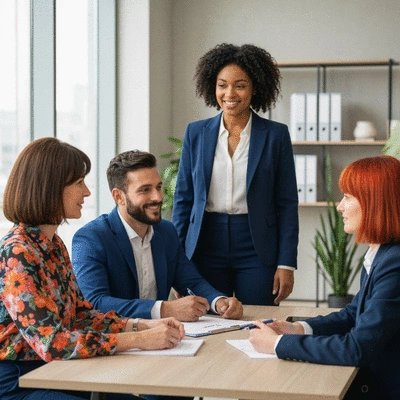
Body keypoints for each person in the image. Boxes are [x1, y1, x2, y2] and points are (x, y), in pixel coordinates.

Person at [0, 138, 185, 400]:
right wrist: (141, 339)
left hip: (60, 372)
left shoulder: (53, 245)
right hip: (19, 382)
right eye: (78, 183)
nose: (86, 192)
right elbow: (53, 344)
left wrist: (140, 325)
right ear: (50, 188)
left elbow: (81, 315)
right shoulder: (17, 253)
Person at [249, 155, 400, 399]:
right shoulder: (381, 254)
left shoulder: (394, 263)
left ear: (374, 203)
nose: (340, 206)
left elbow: (357, 348)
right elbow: (353, 315)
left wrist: (277, 345)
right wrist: (298, 328)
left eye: (348, 197)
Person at [172, 43, 299, 306]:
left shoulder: (276, 135)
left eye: (240, 85)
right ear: (212, 87)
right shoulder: (195, 134)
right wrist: (177, 262)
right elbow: (183, 200)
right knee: (205, 320)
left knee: (258, 321)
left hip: (257, 248)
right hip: (205, 243)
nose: (230, 93)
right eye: (222, 85)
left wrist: (286, 263)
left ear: (255, 88)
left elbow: (287, 203)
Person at [71, 149, 243, 323]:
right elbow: (95, 303)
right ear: (119, 196)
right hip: (119, 340)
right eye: (145, 190)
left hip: (166, 338)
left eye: (158, 187)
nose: (158, 197)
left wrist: (219, 302)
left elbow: (190, 281)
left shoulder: (166, 231)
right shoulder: (90, 238)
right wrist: (164, 309)